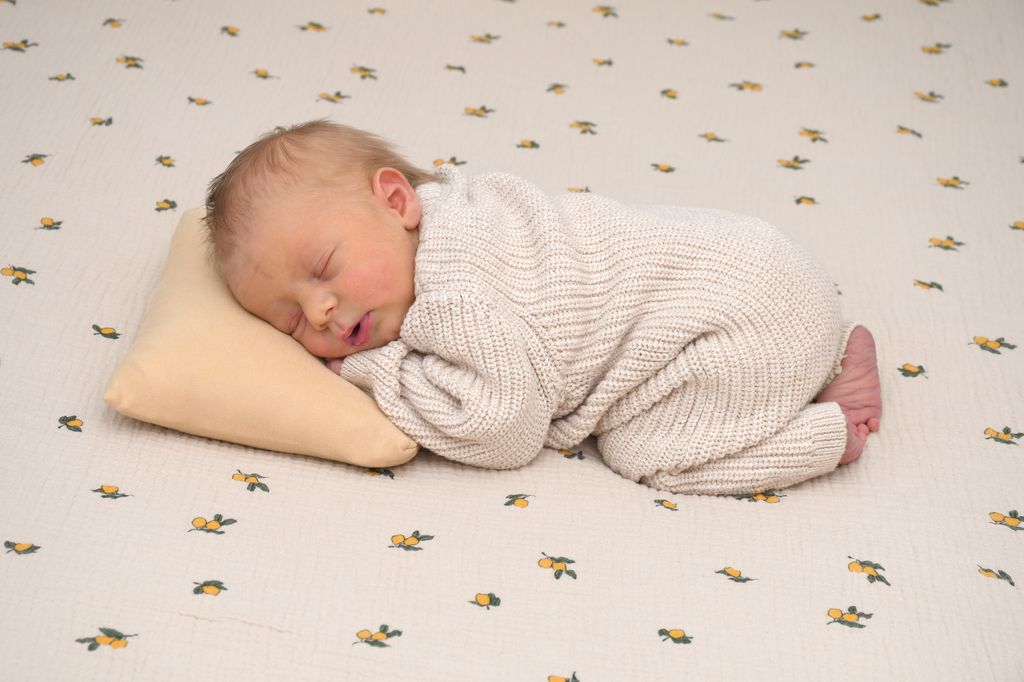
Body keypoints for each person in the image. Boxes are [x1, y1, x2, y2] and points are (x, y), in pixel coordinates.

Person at [203, 118, 882, 496]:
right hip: (765, 263)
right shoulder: (464, 211)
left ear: (396, 200)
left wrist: (370, 370)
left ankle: (829, 431)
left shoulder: (456, 294)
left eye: (323, 268)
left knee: (646, 454)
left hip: (738, 325)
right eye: (290, 320)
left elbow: (503, 431)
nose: (320, 312)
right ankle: (822, 358)